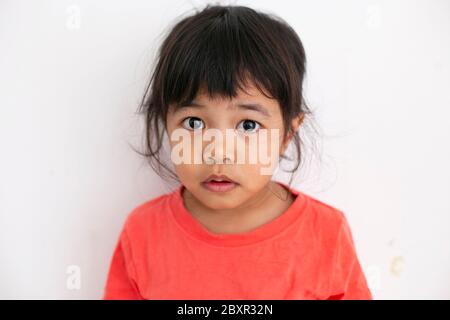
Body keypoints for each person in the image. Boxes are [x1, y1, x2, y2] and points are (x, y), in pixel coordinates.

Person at [103, 4, 373, 300]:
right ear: (167, 125)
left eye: (248, 125)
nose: (219, 153)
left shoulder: (327, 235)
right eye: (194, 123)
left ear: (287, 134)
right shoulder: (143, 233)